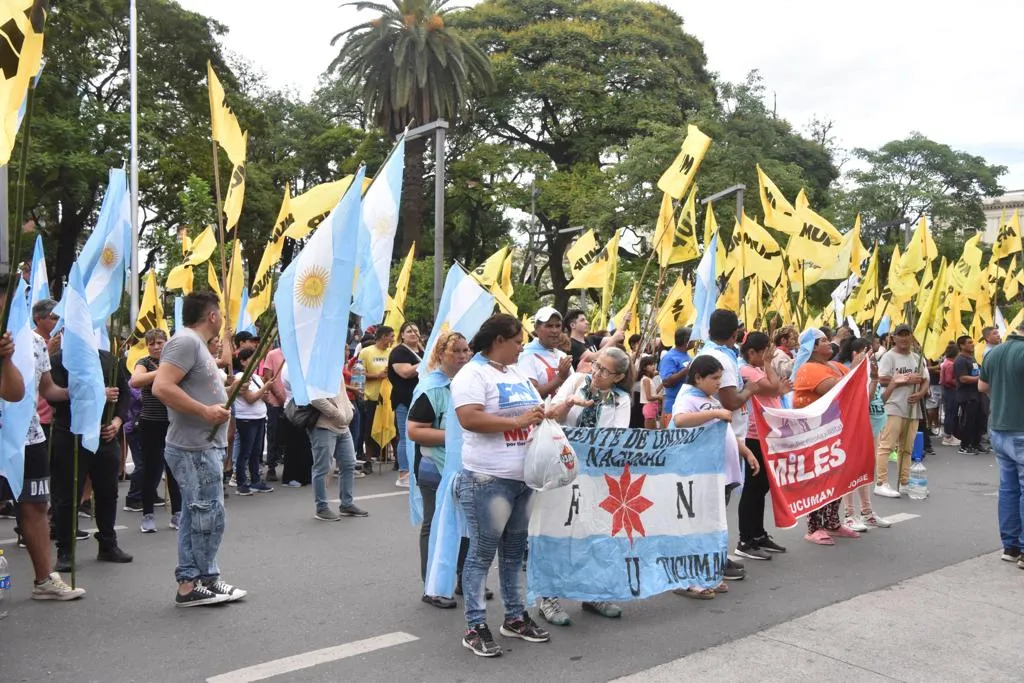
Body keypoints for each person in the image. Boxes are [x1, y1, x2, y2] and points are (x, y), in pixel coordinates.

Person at [452, 314, 548, 657]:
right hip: (487, 480)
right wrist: (518, 421)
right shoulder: (472, 374)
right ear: (499, 341)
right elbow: (470, 418)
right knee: (481, 554)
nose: (522, 346)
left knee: (514, 553)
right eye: (518, 340)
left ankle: (515, 617)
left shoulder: (516, 373)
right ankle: (475, 626)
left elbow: (538, 409)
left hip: (523, 479)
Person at [152, 291, 245, 607]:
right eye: (220, 312)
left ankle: (203, 579)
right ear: (213, 316)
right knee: (206, 515)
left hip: (204, 447)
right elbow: (161, 387)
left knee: (199, 516)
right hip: (193, 448)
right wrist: (205, 412)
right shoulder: (186, 342)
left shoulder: (197, 345)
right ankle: (192, 584)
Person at [538, 347, 633, 624]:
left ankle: (593, 592)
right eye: (595, 365)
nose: (596, 372)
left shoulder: (621, 401)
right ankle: (549, 597)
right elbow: (550, 414)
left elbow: (616, 438)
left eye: (604, 370)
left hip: (597, 476)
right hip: (562, 470)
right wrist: (570, 402)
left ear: (618, 377)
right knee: (557, 532)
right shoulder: (577, 382)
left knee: (595, 532)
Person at [0, 312, 82, 600]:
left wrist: (78, 392)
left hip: (30, 436)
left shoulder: (36, 342)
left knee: (35, 506)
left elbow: (46, 389)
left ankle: (44, 580)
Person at [672, 355, 761, 597]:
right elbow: (680, 420)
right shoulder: (688, 397)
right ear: (698, 378)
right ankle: (686, 579)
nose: (718, 383)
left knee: (712, 526)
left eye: (721, 378)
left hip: (719, 475)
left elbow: (726, 432)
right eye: (714, 378)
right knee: (695, 526)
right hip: (698, 474)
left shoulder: (709, 399)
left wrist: (745, 452)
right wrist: (715, 414)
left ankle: (706, 574)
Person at [48, 342, 133, 571]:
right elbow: (53, 397)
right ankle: (65, 550)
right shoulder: (59, 360)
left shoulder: (108, 358)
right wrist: (95, 393)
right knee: (67, 496)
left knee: (108, 493)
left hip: (105, 436)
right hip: (71, 434)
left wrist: (117, 422)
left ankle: (108, 544)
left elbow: (125, 395)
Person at [407, 331, 474, 608]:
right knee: (435, 525)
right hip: (435, 467)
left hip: (464, 467)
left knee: (466, 526)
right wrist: (454, 437)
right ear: (440, 355)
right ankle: (432, 586)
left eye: (465, 350)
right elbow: (414, 431)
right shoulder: (432, 388)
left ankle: (461, 580)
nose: (462, 356)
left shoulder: (468, 385)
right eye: (455, 351)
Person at [791, 328, 861, 545]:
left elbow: (857, 387)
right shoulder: (808, 368)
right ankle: (814, 527)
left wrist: (868, 374)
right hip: (814, 433)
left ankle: (832, 522)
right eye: (823, 340)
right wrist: (857, 371)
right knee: (817, 478)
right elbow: (837, 389)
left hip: (836, 430)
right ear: (812, 348)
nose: (829, 343)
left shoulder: (836, 366)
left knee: (836, 475)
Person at [736, 332, 791, 560]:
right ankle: (745, 539)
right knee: (753, 487)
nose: (769, 355)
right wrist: (769, 365)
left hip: (768, 434)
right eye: (765, 352)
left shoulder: (758, 369)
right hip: (753, 435)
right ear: (752, 353)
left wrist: (769, 369)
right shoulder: (746, 370)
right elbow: (774, 388)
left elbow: (776, 387)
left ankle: (758, 534)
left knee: (762, 487)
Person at [978, 320, 1024, 567]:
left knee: (1008, 488)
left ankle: (1011, 546)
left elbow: (982, 386)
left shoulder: (995, 352)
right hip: (1021, 427)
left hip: (998, 426)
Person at [129, 329, 182, 532]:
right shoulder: (143, 363)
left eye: (160, 342)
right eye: (151, 343)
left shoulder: (175, 361)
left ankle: (177, 513)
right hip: (150, 422)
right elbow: (136, 380)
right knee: (151, 469)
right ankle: (148, 515)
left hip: (174, 422)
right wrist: (162, 372)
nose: (156, 347)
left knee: (174, 469)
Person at [836, 338, 891, 532]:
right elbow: (853, 399)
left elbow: (870, 399)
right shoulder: (843, 369)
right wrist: (856, 369)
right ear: (856, 353)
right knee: (850, 470)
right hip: (850, 427)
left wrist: (874, 378)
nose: (872, 356)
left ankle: (867, 512)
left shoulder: (868, 370)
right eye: (868, 352)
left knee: (865, 469)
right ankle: (849, 514)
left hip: (870, 425)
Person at [307, 362, 368, 521]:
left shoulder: (335, 368)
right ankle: (321, 507)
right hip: (324, 426)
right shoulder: (318, 369)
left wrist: (349, 409)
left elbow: (341, 394)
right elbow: (315, 398)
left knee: (348, 464)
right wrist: (337, 414)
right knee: (322, 468)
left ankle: (346, 504)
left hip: (342, 426)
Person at [873, 324, 928, 498]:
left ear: (912, 337)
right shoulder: (888, 357)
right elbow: (882, 378)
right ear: (894, 338)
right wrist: (906, 380)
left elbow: (925, 379)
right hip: (893, 406)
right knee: (886, 446)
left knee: (907, 448)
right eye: (900, 335)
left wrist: (920, 393)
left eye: (907, 334)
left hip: (913, 408)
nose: (904, 338)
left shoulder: (917, 358)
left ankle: (904, 482)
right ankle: (881, 482)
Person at [233, 347, 274, 495]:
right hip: (246, 419)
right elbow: (249, 398)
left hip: (259, 417)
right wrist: (265, 389)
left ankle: (256, 481)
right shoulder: (239, 378)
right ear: (243, 361)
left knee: (256, 452)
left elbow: (263, 397)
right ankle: (241, 483)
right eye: (251, 358)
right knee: (245, 451)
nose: (255, 362)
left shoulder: (256, 378)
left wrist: (265, 392)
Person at [388, 321, 423, 488]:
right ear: (402, 335)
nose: (413, 333)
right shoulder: (398, 352)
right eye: (409, 331)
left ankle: (417, 471)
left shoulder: (423, 351)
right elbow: (406, 373)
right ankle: (404, 473)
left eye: (415, 330)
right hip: (404, 399)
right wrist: (425, 362)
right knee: (406, 436)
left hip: (422, 399)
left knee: (420, 437)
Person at [357, 326, 393, 467]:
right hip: (371, 398)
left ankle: (392, 460)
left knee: (391, 428)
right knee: (370, 430)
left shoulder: (392, 352)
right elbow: (358, 374)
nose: (393, 339)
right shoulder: (365, 352)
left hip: (389, 398)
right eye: (391, 336)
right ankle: (368, 460)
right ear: (383, 336)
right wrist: (376, 376)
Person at [519, 306, 572, 400]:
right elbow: (531, 394)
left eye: (558, 326)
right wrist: (559, 379)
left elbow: (573, 388)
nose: (555, 330)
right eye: (549, 326)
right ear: (536, 328)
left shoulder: (562, 356)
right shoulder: (527, 356)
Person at [953, 335, 985, 455]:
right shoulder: (960, 360)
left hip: (976, 394)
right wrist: (980, 379)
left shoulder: (972, 359)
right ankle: (964, 446)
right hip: (967, 396)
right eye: (969, 342)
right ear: (962, 345)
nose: (972, 344)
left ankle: (976, 443)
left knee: (978, 420)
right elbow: (963, 378)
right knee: (968, 421)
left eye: (972, 342)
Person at [260, 342, 286, 482]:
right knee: (273, 434)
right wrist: (279, 396)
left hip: (291, 402)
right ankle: (271, 466)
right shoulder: (273, 354)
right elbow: (267, 377)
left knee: (289, 435)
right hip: (275, 402)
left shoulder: (297, 355)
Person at [658, 326, 692, 416]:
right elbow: (666, 382)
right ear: (686, 340)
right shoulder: (669, 357)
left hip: (687, 405)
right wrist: (685, 371)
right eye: (693, 338)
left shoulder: (687, 356)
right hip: (673, 406)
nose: (695, 341)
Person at [939, 343, 961, 447]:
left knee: (950, 412)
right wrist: (959, 382)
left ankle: (950, 435)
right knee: (951, 413)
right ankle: (948, 436)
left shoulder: (946, 362)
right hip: (950, 390)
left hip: (946, 390)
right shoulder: (950, 365)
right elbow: (948, 380)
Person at [638, 355, 663, 429]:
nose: (653, 366)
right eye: (650, 364)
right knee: (651, 432)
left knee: (652, 431)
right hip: (649, 407)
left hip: (652, 407)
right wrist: (659, 397)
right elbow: (649, 397)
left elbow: (654, 393)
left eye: (653, 364)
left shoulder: (649, 379)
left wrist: (662, 384)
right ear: (644, 367)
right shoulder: (646, 380)